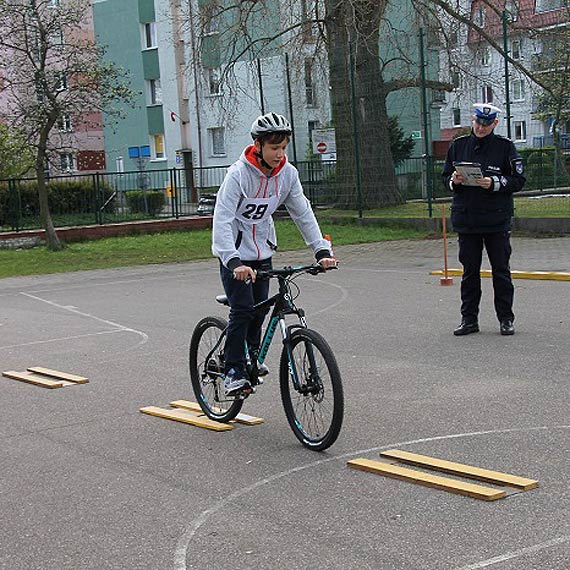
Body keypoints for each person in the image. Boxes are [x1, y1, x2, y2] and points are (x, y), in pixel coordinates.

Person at [212, 112, 337, 395]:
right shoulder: (238, 175)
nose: (280, 154)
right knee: (243, 310)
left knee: (260, 310)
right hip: (234, 256)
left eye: (283, 148)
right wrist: (232, 260)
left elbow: (302, 213)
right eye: (274, 148)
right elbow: (221, 220)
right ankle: (233, 368)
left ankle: (251, 359)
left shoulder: (287, 175)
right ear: (258, 145)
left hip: (262, 252)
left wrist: (321, 250)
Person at [442, 103, 526, 336]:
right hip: (467, 219)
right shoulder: (458, 146)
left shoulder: (505, 147)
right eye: (478, 122)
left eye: (486, 124)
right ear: (472, 120)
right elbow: (445, 177)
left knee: (501, 271)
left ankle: (506, 319)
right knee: (469, 273)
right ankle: (469, 319)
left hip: (496, 220)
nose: (481, 127)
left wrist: (494, 183)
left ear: (495, 124)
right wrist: (454, 181)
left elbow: (519, 180)